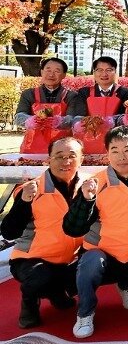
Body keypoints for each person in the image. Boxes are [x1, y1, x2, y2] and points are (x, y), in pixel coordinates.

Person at [63, 126, 128, 339]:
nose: (121, 157)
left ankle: (126, 285)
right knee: (90, 265)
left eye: (127, 149)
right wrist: (86, 200)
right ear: (107, 153)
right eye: (114, 150)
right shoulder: (96, 183)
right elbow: (72, 229)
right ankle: (85, 313)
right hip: (101, 252)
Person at [1, 137, 85, 328]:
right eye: (59, 156)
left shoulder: (90, 185)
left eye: (72, 156)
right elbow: (8, 232)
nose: (66, 162)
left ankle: (57, 292)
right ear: (48, 159)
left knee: (95, 266)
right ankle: (29, 303)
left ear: (82, 159)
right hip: (32, 259)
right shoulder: (31, 189)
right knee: (41, 277)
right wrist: (23, 202)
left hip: (69, 259)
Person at [15, 57, 84, 154]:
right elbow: (18, 117)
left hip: (63, 148)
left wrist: (59, 121)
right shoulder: (29, 94)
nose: (51, 74)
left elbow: (74, 119)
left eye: (57, 71)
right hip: (32, 147)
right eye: (48, 70)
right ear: (42, 72)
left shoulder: (71, 96)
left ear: (64, 75)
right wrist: (30, 121)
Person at [73, 56, 128, 154]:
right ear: (94, 73)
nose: (104, 74)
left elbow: (126, 118)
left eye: (109, 70)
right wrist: (84, 123)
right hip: (89, 139)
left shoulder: (125, 93)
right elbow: (79, 115)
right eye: (99, 70)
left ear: (115, 72)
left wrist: (111, 122)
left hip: (116, 140)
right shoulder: (84, 92)